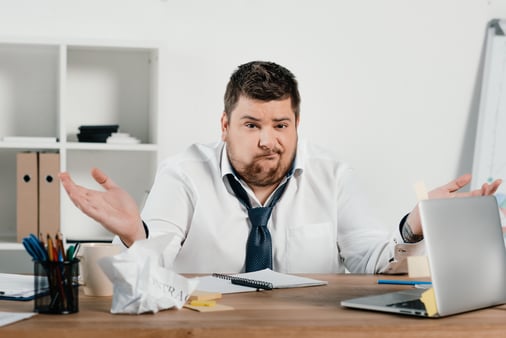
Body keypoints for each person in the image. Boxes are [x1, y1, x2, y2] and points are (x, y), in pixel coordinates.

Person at [59, 61, 501, 274]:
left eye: (280, 125)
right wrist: (135, 233)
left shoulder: (333, 174)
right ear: (225, 124)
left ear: (297, 125)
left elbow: (370, 259)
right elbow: (156, 257)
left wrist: (413, 228)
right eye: (251, 124)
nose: (268, 140)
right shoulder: (184, 172)